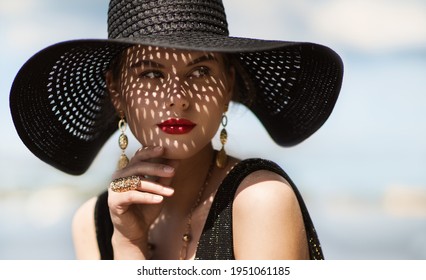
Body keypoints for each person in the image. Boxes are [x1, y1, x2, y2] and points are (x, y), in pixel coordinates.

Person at [10, 0, 343, 260]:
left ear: (227, 86)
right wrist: (128, 243)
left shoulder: (259, 201)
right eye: (151, 74)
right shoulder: (93, 223)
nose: (178, 100)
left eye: (199, 71)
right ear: (116, 92)